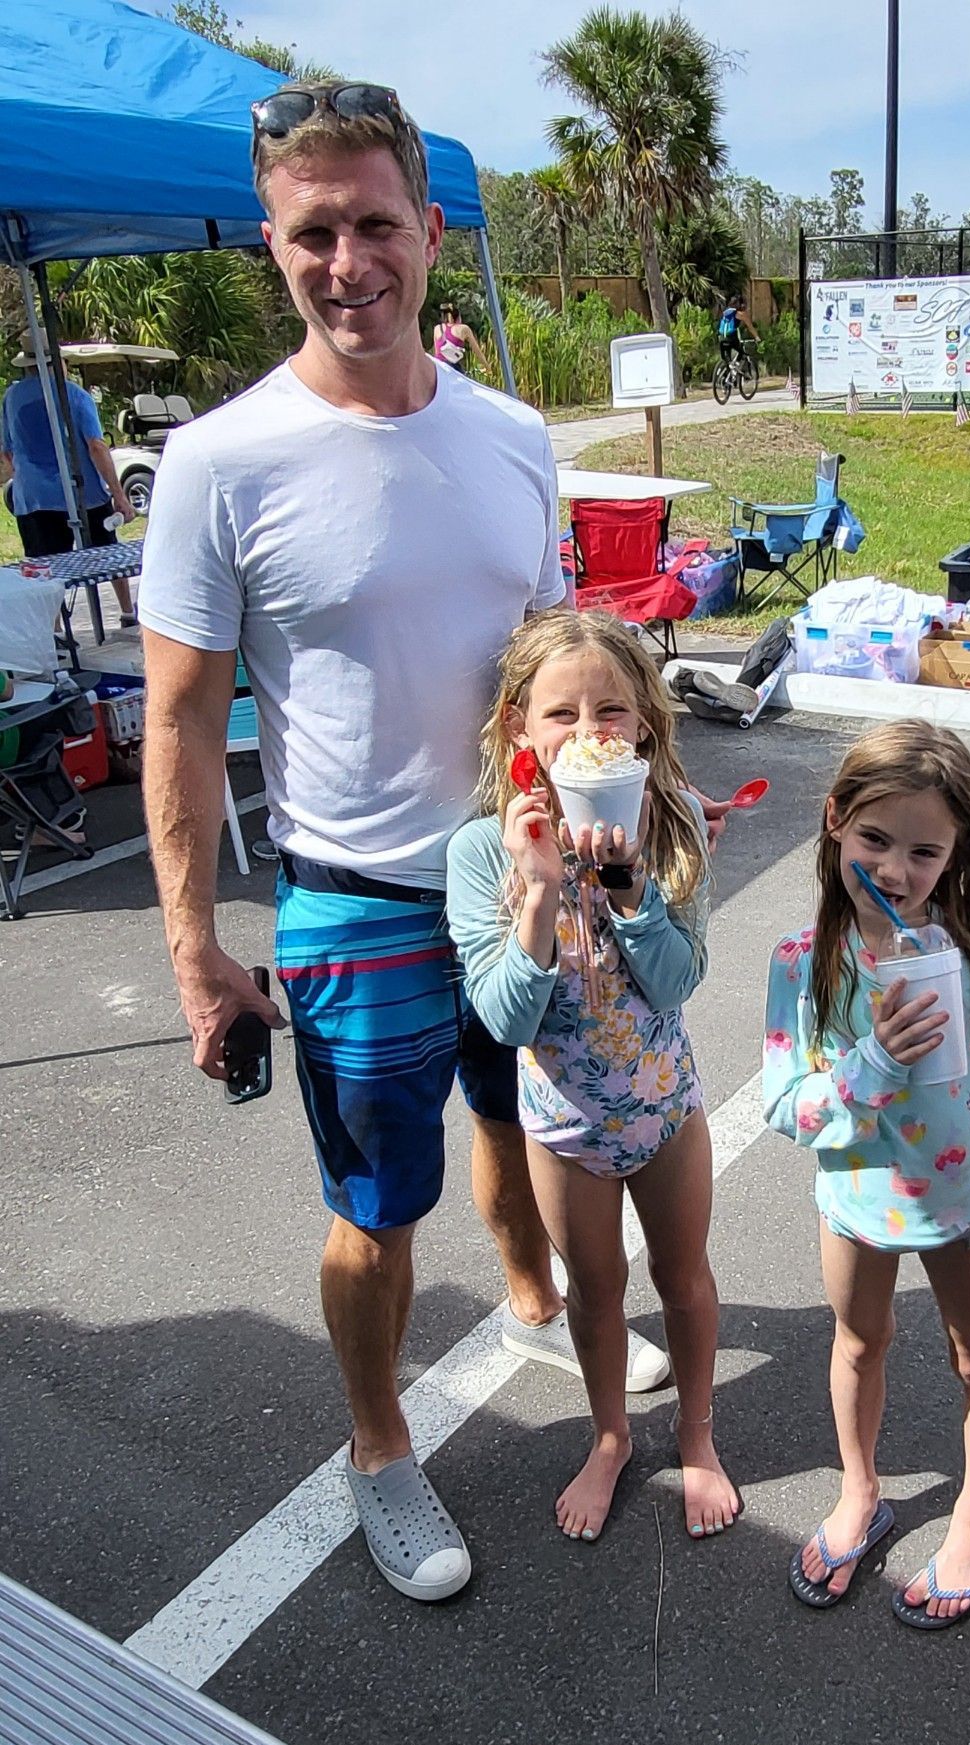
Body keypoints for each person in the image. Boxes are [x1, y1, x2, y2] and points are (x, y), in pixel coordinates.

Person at [139, 81, 672, 1606]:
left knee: (521, 1127)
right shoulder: (220, 463)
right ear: (274, 243)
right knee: (379, 1208)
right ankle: (381, 1447)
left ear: (432, 235)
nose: (347, 261)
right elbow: (178, 726)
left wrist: (607, 839)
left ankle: (528, 1298)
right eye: (314, 232)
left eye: (377, 224)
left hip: (524, 884)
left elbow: (559, 670)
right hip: (358, 899)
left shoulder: (512, 438)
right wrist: (193, 951)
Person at [446, 609, 741, 1544]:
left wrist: (628, 893)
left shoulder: (674, 823)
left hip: (662, 1110)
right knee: (599, 1289)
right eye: (561, 714)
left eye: (610, 711)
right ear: (518, 731)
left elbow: (679, 980)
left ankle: (696, 1435)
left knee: (685, 1279)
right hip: (564, 1128)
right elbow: (504, 1021)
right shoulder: (480, 851)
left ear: (646, 723)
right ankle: (611, 1436)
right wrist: (537, 893)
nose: (588, 733)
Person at [763, 722, 970, 1618]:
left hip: (968, 1206)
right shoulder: (806, 964)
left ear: (957, 856)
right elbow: (781, 1104)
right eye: (875, 839)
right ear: (835, 822)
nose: (896, 869)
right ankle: (859, 1490)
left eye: (925, 850)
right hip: (856, 1199)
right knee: (857, 1342)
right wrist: (868, 1063)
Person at [0, 359, 138, 626]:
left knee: (45, 569)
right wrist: (119, 495)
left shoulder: (12, 397)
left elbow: (7, 450)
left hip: (34, 497)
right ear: (55, 363)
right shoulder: (74, 394)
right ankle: (127, 612)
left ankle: (57, 630)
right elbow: (96, 445)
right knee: (109, 555)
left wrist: (28, 477)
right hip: (82, 492)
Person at [432, 301, 481, 371]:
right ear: (458, 316)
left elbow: (437, 352)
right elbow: (477, 351)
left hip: (438, 367)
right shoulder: (464, 329)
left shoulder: (437, 328)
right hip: (453, 368)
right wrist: (488, 368)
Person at [716, 292, 759, 370]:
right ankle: (735, 368)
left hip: (721, 338)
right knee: (742, 353)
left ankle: (725, 377)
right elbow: (750, 327)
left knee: (727, 361)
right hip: (731, 338)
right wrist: (757, 337)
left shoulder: (725, 312)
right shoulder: (740, 314)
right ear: (741, 304)